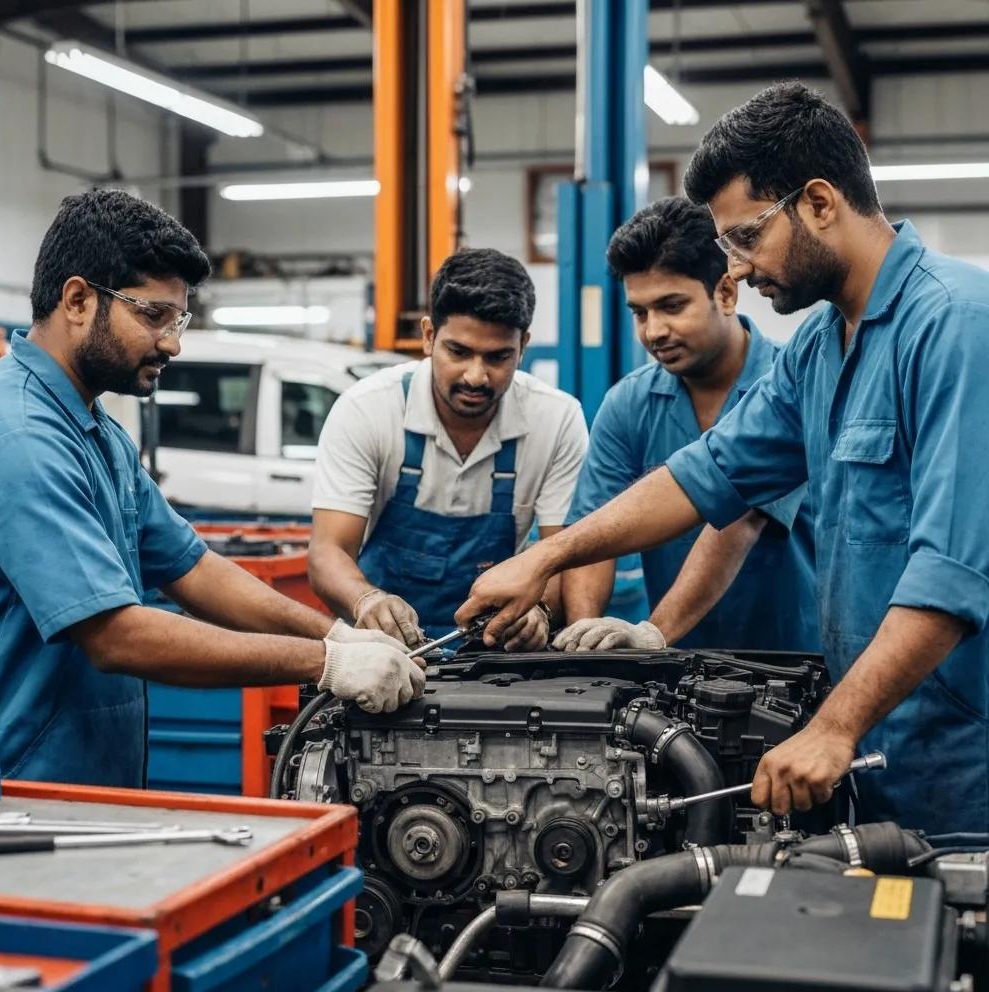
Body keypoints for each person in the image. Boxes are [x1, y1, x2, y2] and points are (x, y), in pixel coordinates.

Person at [457, 82, 989, 836]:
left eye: (744, 238)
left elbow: (951, 576)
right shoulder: (819, 347)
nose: (735, 268)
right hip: (858, 743)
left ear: (818, 202)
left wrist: (833, 727)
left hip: (956, 761)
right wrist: (548, 559)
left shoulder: (957, 327)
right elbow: (708, 474)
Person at [0, 190, 423, 788]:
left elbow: (194, 568)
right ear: (77, 300)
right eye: (153, 315)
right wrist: (327, 662)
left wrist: (333, 630)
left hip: (84, 781)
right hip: (13, 789)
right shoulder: (19, 436)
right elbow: (117, 636)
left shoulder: (94, 429)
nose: (173, 342)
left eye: (178, 320)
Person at [555, 197, 817, 654]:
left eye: (672, 306)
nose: (654, 330)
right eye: (640, 312)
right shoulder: (628, 405)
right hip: (677, 671)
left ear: (726, 293)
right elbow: (595, 531)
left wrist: (653, 634)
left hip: (795, 662)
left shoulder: (790, 385)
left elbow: (737, 521)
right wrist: (586, 645)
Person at [308, 248, 588, 651]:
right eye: (458, 352)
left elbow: (563, 556)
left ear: (523, 346)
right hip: (380, 653)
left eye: (498, 357)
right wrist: (366, 600)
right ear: (428, 336)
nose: (476, 376)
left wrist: (539, 610)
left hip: (496, 656)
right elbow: (327, 553)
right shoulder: (367, 409)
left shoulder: (556, 421)